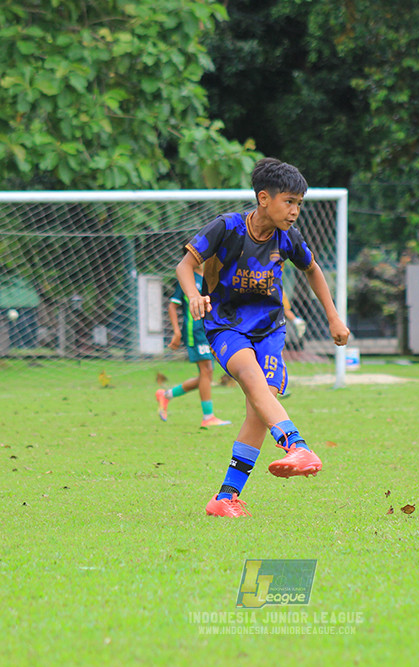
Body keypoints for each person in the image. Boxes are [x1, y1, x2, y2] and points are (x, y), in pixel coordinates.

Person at [176, 157, 350, 518]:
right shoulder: (227, 227)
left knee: (259, 408)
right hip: (226, 326)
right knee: (251, 377)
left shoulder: (288, 238)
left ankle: (225, 498)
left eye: (299, 204)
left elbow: (313, 269)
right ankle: (295, 444)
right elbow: (185, 265)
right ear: (263, 198)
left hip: (270, 329)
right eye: (289, 202)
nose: (295, 211)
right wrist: (193, 295)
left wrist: (333, 317)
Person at [155, 265, 231, 428]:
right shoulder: (187, 278)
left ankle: (166, 395)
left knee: (205, 376)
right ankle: (208, 417)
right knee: (206, 371)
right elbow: (172, 306)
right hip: (194, 330)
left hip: (208, 330)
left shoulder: (210, 276)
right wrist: (176, 332)